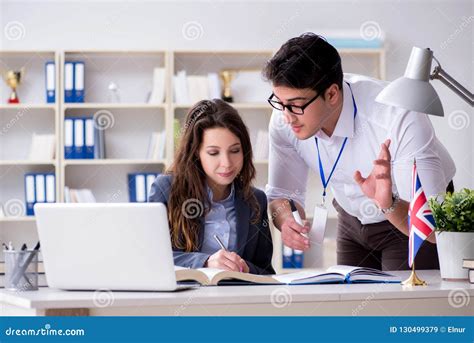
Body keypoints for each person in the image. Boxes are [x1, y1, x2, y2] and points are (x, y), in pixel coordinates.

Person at [263, 33, 456, 271]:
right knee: (351, 302)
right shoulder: (285, 117)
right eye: (280, 103)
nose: (286, 115)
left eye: (295, 104)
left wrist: (388, 204)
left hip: (406, 214)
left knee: (403, 304)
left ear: (331, 94)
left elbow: (434, 228)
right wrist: (285, 218)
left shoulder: (397, 116)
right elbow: (281, 194)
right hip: (351, 216)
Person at [149, 99, 274, 275]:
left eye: (235, 150)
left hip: (237, 300)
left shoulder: (256, 200)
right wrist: (205, 262)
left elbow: (266, 272)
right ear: (196, 153)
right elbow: (150, 256)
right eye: (213, 153)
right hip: (180, 299)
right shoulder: (166, 189)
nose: (227, 163)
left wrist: (246, 268)